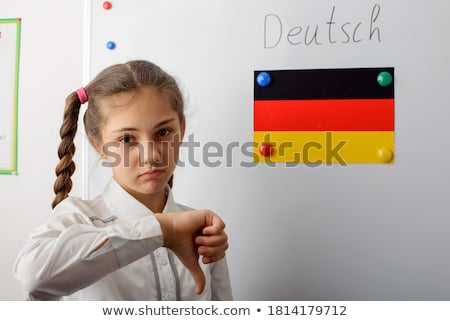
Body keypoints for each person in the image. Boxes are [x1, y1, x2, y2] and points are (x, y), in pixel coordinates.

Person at [13, 60, 232, 301]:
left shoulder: (203, 232)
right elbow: (32, 278)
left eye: (163, 132)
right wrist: (163, 231)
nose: (151, 156)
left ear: (181, 127)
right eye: (127, 139)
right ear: (99, 144)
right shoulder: (77, 220)